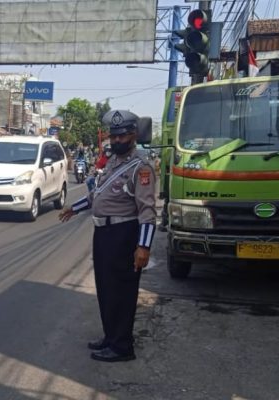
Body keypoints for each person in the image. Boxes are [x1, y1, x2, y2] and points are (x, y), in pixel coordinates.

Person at [59, 109, 157, 363]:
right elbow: (96, 195)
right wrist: (74, 207)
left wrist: (143, 247)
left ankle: (122, 346)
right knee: (105, 288)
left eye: (122, 137)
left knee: (121, 291)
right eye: (113, 137)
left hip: (123, 235)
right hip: (103, 234)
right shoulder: (112, 162)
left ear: (133, 136)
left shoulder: (141, 168)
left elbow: (147, 211)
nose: (116, 142)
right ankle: (110, 336)